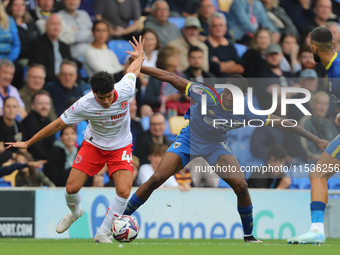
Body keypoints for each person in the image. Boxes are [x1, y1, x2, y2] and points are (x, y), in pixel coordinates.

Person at [122, 60, 329, 243]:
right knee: (157, 178)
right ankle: (122, 218)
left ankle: (249, 236)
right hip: (190, 138)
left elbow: (283, 123)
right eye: (228, 92)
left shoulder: (246, 110)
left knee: (241, 185)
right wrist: (140, 67)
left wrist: (316, 139)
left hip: (215, 145)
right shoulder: (208, 94)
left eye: (235, 95)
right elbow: (171, 78)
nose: (229, 97)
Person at [6, 36, 145, 243]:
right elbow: (57, 125)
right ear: (93, 93)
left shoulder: (125, 89)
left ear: (113, 90)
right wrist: (28, 143)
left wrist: (140, 55)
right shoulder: (85, 103)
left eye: (108, 96)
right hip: (94, 145)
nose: (106, 101)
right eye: (101, 97)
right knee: (71, 188)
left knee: (124, 191)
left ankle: (102, 232)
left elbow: (133, 71)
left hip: (121, 145)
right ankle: (75, 212)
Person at [287, 26, 340, 244]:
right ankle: (317, 229)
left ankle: (317, 229)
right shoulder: (332, 67)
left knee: (317, 175)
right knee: (317, 175)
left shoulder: (336, 70)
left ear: (314, 47)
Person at [28, 14, 73, 83]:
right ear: (46, 26)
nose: (56, 27)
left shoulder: (64, 46)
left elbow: (70, 64)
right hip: (49, 81)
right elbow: (40, 68)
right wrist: (59, 77)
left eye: (58, 24)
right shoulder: (37, 44)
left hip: (66, 80)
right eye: (53, 24)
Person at [300, 91, 338, 161]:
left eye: (325, 104)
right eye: (319, 103)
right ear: (312, 104)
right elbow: (309, 151)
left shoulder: (330, 124)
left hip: (330, 162)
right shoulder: (305, 122)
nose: (322, 107)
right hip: (312, 163)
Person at [205, 12, 244, 78]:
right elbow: (215, 68)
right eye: (215, 26)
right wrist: (232, 63)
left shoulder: (230, 45)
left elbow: (241, 68)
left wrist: (221, 64)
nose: (218, 28)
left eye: (221, 25)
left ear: (225, 28)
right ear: (209, 28)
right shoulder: (205, 46)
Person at [22, 90, 55, 160]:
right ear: (33, 105)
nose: (44, 107)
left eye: (47, 104)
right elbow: (35, 149)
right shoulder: (29, 121)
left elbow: (52, 143)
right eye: (40, 103)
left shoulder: (48, 121)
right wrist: (50, 159)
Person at [0, 97, 24, 165]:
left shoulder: (20, 126)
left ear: (18, 109)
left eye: (14, 107)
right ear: (3, 108)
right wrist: (14, 155)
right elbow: (1, 149)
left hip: (16, 158)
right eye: (8, 106)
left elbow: (23, 149)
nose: (11, 110)